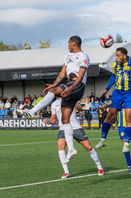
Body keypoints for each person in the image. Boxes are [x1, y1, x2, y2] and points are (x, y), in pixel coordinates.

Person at [17, 35, 89, 163]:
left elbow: (80, 77)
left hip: (77, 86)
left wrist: (70, 89)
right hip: (69, 86)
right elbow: (62, 73)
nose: (67, 45)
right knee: (65, 119)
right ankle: (72, 149)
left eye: (68, 43)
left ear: (73, 43)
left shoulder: (84, 56)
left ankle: (32, 111)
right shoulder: (68, 56)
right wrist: (54, 85)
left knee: (52, 92)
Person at [45, 97, 103, 178]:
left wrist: (73, 103)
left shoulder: (70, 99)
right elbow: (53, 119)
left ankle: (99, 167)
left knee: (88, 147)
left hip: (75, 127)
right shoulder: (54, 104)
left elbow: (81, 109)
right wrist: (48, 121)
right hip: (63, 128)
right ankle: (66, 172)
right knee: (60, 147)